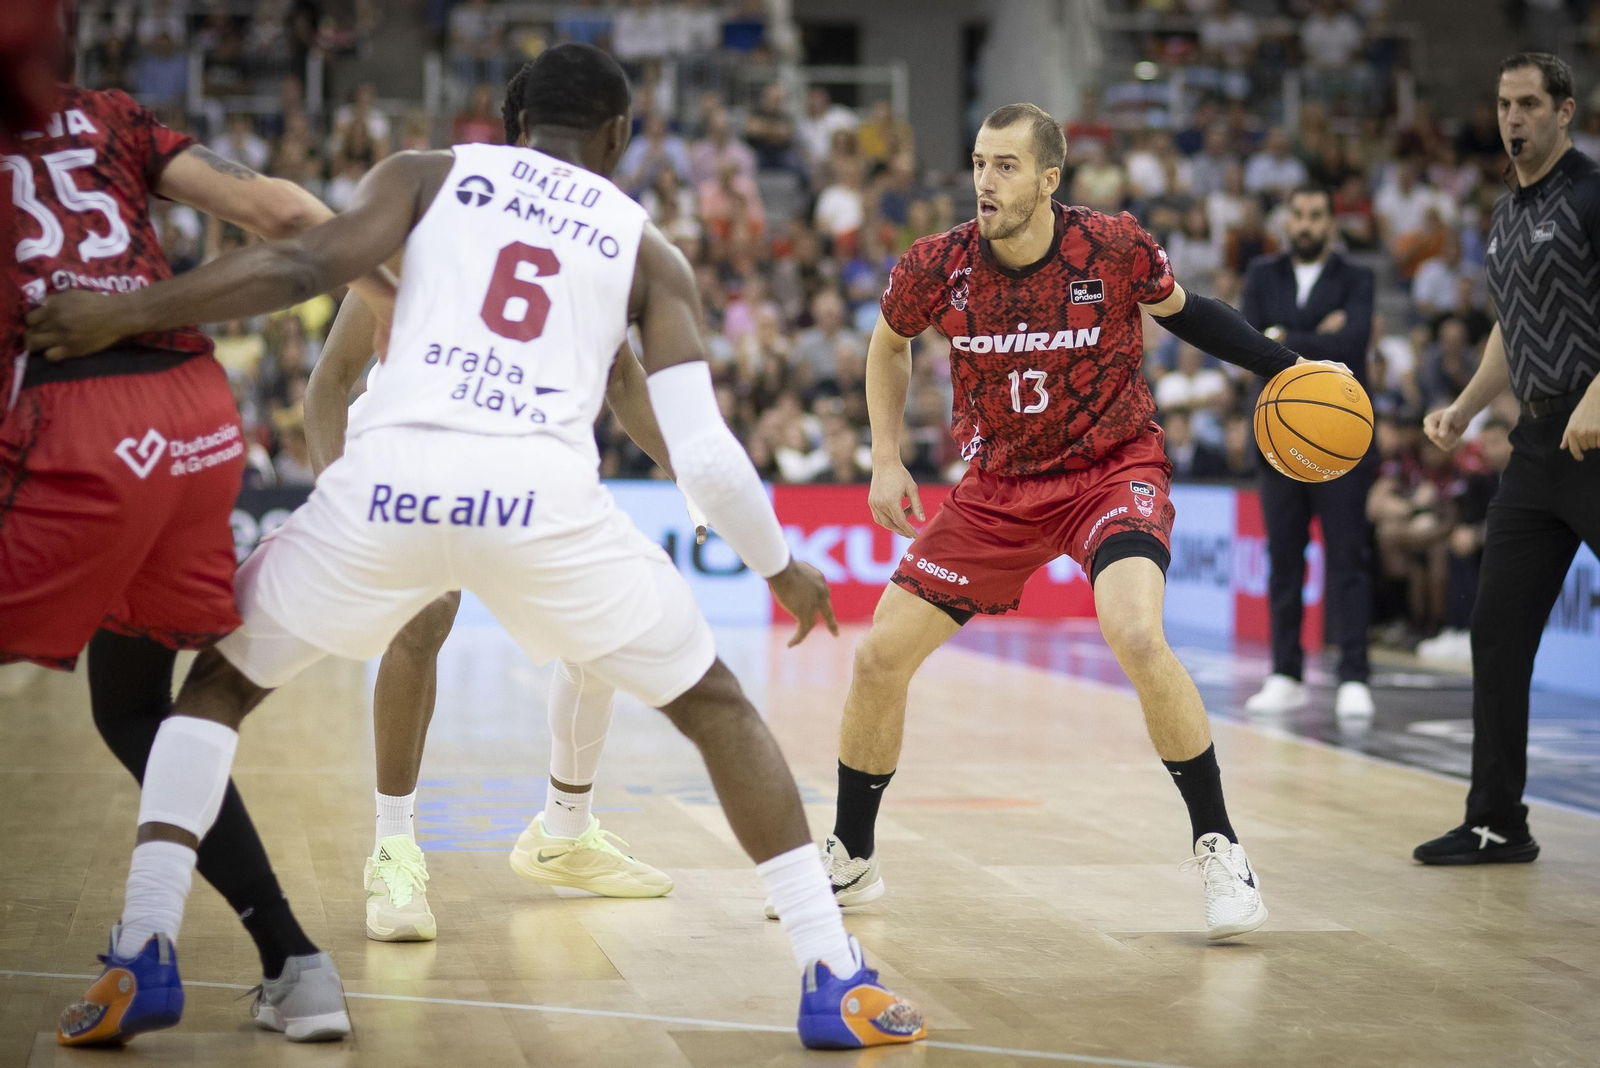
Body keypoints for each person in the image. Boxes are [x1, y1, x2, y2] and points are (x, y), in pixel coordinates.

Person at [29, 43, 926, 1052]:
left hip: (389, 481)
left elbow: (293, 262)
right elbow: (708, 456)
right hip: (537, 499)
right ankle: (832, 975)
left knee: (216, 693)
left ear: (507, 124)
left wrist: (124, 311)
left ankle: (144, 946)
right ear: (619, 136)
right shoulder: (643, 246)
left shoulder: (422, 176)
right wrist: (780, 568)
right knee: (717, 709)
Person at [779, 102, 1336, 943]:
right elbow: (887, 345)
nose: (984, 182)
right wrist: (885, 457)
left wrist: (1285, 364)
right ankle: (852, 858)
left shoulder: (1111, 246)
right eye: (977, 163)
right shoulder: (936, 264)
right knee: (877, 659)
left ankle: (1219, 846)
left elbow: (1187, 310)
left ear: (1049, 180)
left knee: (1137, 635)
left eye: (1005, 166)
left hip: (1111, 469)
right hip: (997, 487)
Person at [1, 80, 387, 1044]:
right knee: (133, 705)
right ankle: (294, 965)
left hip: (70, 426)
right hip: (190, 422)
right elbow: (292, 217)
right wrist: (408, 310)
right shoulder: (105, 114)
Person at [304, 69, 698, 941]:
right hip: (407, 460)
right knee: (424, 619)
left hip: (524, 475)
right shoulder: (429, 208)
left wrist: (691, 471)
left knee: (618, 618)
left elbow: (626, 381)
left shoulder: (593, 236)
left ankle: (564, 831)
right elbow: (330, 381)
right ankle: (394, 852)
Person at [1414, 54, 1600, 866]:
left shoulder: (1594, 195)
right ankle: (1497, 820)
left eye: (1529, 104)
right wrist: (1465, 406)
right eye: (1502, 104)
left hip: (1598, 436)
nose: (1512, 118)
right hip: (1536, 447)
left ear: (1565, 112)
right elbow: (1511, 327)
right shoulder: (1503, 211)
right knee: (1496, 631)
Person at [1239, 185, 1378, 717]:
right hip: (1278, 442)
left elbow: (1355, 341)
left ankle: (1354, 676)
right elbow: (1251, 346)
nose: (1305, 224)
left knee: (1348, 557)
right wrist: (1314, 336)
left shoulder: (1357, 277)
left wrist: (1283, 338)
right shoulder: (1261, 275)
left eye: (1316, 216)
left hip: (1342, 443)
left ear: (1331, 223)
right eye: (1297, 214)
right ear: (1286, 220)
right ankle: (1285, 672)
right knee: (1283, 560)